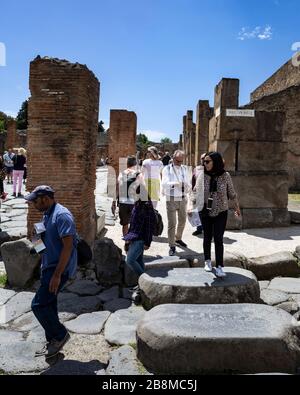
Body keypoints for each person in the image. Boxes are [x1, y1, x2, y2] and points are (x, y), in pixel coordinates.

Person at [25, 185, 77, 358]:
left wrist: (57, 275)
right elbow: (42, 248)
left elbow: (68, 248)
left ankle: (61, 335)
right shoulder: (47, 214)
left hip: (58, 269)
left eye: (35, 201)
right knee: (49, 305)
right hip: (48, 266)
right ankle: (53, 342)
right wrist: (35, 239)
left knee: (38, 305)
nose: (33, 204)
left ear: (45, 199)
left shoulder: (62, 216)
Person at [199, 152, 240, 278]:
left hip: (221, 211)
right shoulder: (202, 175)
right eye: (204, 162)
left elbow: (232, 193)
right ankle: (207, 261)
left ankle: (220, 266)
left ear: (215, 162)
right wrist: (191, 206)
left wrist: (237, 208)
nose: (205, 164)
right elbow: (195, 191)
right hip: (205, 211)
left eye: (207, 161)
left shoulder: (225, 175)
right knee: (207, 237)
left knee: (218, 239)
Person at [123, 186, 156, 303]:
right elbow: (132, 224)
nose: (133, 196)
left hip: (141, 239)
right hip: (134, 237)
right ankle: (141, 286)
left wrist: (148, 242)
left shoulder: (147, 207)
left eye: (135, 194)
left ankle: (146, 282)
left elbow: (149, 226)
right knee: (140, 260)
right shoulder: (137, 205)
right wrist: (127, 240)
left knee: (130, 260)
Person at [162, 150, 191, 256]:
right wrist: (176, 183)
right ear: (173, 158)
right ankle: (172, 245)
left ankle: (178, 238)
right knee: (172, 223)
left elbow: (189, 183)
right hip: (171, 198)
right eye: (177, 161)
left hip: (183, 198)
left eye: (181, 161)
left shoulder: (184, 169)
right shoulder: (167, 169)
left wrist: (186, 185)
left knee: (183, 221)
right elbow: (164, 183)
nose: (179, 163)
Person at [112, 156, 144, 237]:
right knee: (134, 223)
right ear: (135, 164)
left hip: (123, 202)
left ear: (127, 164)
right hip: (134, 202)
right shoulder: (138, 174)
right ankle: (132, 239)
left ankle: (126, 241)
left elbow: (117, 188)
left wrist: (114, 201)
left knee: (125, 224)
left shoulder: (121, 174)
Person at [191, 153, 207, 236]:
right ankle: (199, 228)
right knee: (197, 211)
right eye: (202, 158)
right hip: (197, 193)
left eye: (205, 158)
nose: (203, 160)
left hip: (207, 193)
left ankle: (207, 229)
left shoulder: (210, 168)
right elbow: (193, 179)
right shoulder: (197, 168)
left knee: (206, 212)